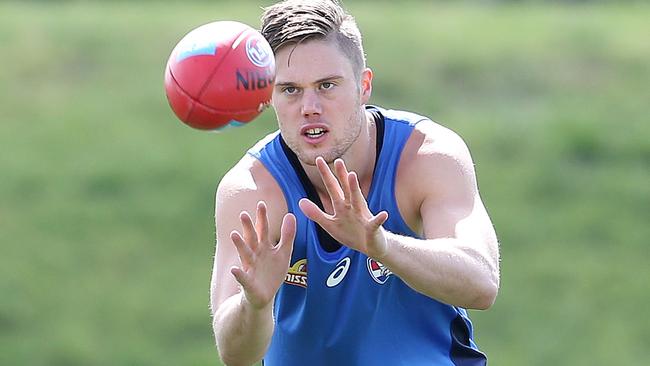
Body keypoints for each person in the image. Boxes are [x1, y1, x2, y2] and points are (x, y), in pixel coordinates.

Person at [209, 0, 500, 365]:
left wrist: (382, 246)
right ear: (269, 96)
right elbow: (234, 355)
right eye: (290, 90)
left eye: (327, 85)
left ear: (364, 86)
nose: (310, 106)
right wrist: (255, 304)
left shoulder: (427, 156)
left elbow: (481, 282)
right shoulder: (252, 190)